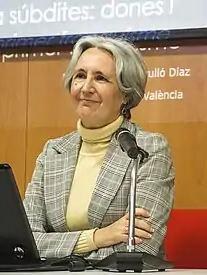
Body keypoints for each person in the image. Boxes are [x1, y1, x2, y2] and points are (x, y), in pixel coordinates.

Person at [23, 35, 175, 261]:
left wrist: (60, 249)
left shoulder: (147, 149)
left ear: (125, 93)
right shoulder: (52, 152)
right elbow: (25, 242)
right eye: (80, 76)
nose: (86, 88)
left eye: (101, 78)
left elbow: (139, 248)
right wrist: (99, 237)